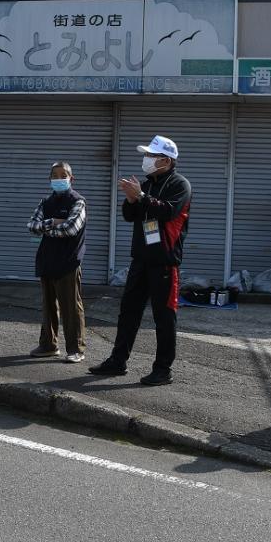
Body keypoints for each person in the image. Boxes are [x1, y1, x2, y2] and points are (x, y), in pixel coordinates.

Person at [89, 135, 191, 386]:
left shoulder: (180, 184)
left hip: (165, 261)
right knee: (128, 311)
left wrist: (141, 197)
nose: (146, 159)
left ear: (165, 160)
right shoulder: (146, 183)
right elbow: (129, 215)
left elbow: (168, 211)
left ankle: (162, 370)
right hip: (140, 258)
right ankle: (118, 360)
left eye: (151, 156)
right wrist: (132, 199)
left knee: (164, 316)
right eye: (146, 155)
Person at [27, 161, 88, 363]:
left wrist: (46, 227)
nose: (59, 178)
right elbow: (32, 226)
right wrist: (53, 222)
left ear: (72, 178)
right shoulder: (46, 202)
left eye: (64, 175)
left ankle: (76, 349)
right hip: (47, 259)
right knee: (48, 306)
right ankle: (48, 345)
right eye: (55, 175)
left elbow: (71, 229)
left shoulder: (78, 201)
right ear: (50, 179)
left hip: (68, 262)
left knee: (71, 307)